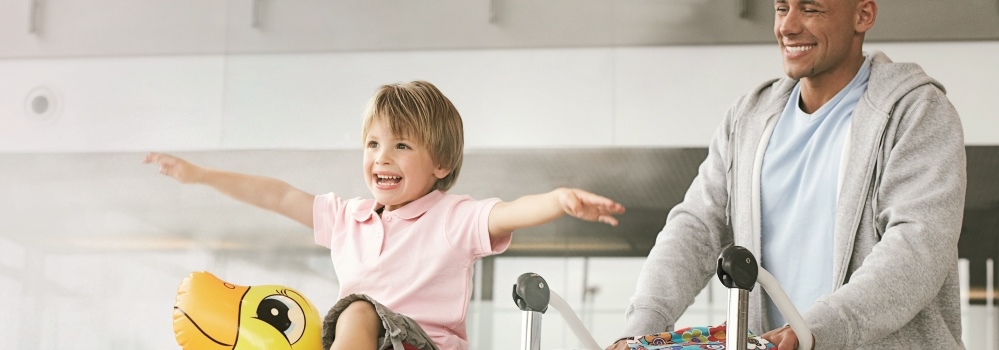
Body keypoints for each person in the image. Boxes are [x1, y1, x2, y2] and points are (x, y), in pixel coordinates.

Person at [144, 80, 625, 350]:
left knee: (355, 307)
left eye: (401, 145)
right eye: (373, 144)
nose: (382, 157)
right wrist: (201, 174)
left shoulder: (451, 218)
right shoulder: (348, 218)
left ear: (441, 164)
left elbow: (510, 213)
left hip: (421, 346)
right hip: (364, 342)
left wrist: (559, 200)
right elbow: (277, 195)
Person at [608, 0, 965, 349]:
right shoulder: (748, 118)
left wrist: (814, 329)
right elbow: (695, 227)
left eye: (810, 9)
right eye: (781, 8)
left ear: (863, 14)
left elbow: (918, 247)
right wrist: (642, 329)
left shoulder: (917, 111)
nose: (787, 27)